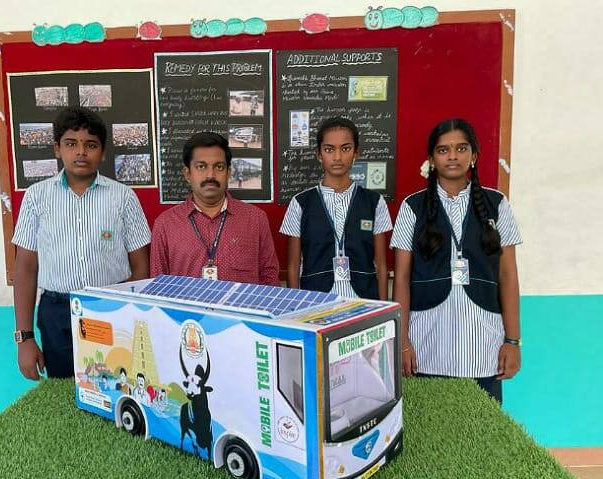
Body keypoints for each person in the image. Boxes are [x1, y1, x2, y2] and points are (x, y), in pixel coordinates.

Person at [391, 117, 521, 412]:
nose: (452, 156)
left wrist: (512, 341)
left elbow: (508, 275)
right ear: (432, 159)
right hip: (425, 345)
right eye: (443, 150)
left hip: (483, 346)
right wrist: (402, 344)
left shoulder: (497, 204)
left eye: (461, 148)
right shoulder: (413, 207)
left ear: (474, 156)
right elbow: (401, 279)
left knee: (481, 434)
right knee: (432, 435)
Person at [12, 106, 151, 380]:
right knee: (64, 392)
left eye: (91, 145)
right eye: (71, 144)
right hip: (56, 313)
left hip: (112, 310)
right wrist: (24, 338)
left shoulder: (123, 197)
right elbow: (26, 269)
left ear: (103, 152)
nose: (81, 152)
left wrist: (130, 319)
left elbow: (141, 268)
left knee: (115, 386)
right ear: (57, 149)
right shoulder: (36, 198)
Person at [280, 117, 392, 299]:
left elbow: (380, 264)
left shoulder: (374, 201)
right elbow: (293, 266)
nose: (338, 157)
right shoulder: (300, 203)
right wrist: (294, 308)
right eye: (329, 149)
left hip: (364, 301)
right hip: (315, 303)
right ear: (319, 154)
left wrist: (383, 311)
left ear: (356, 152)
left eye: (345, 148)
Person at [150, 132, 279, 285]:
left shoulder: (256, 219)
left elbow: (269, 277)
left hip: (240, 309)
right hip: (187, 309)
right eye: (201, 166)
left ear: (228, 173)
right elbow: (158, 285)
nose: (210, 175)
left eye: (219, 166)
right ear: (187, 174)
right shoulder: (165, 224)